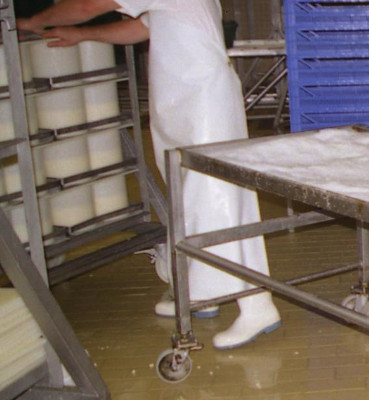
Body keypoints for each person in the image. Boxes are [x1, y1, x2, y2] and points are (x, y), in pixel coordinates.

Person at [19, 0, 281, 350]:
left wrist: (33, 21)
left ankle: (256, 303)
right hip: (183, 99)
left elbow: (86, 5)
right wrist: (81, 35)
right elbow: (143, 27)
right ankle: (205, 292)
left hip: (202, 99)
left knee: (216, 200)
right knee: (189, 199)